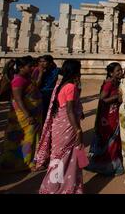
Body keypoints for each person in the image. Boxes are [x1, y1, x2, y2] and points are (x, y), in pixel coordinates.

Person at [35, 60, 84, 194]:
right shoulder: (71, 87)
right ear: (75, 71)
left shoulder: (61, 85)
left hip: (60, 125)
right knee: (69, 155)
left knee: (61, 156)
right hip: (68, 126)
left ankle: (62, 186)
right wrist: (78, 130)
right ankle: (60, 187)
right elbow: (69, 110)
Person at [0, 56, 42, 173]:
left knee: (30, 139)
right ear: (20, 67)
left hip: (31, 114)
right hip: (24, 116)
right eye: (30, 66)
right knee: (23, 140)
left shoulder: (26, 77)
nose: (32, 68)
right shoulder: (18, 80)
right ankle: (18, 163)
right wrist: (28, 115)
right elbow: (18, 99)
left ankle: (27, 162)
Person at [86, 62, 124, 176]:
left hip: (114, 114)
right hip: (108, 117)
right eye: (117, 71)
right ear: (111, 73)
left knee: (114, 140)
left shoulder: (116, 82)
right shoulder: (108, 84)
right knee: (111, 140)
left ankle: (112, 163)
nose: (120, 72)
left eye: (120, 70)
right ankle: (110, 165)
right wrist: (117, 97)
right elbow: (102, 99)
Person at [35, 55, 60, 123]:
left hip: (51, 93)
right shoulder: (36, 71)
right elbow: (36, 85)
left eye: (44, 61)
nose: (42, 63)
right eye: (40, 61)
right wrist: (41, 73)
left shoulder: (55, 70)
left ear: (50, 62)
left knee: (50, 112)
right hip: (40, 93)